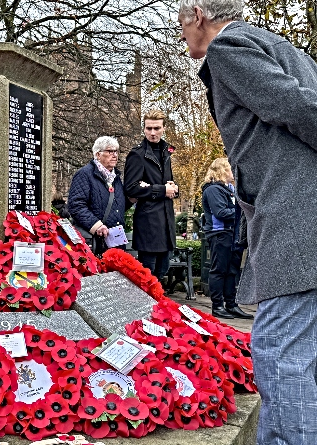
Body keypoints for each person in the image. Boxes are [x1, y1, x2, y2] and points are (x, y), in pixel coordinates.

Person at [178, 0, 317, 442]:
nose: (181, 34)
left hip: (296, 221)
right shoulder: (281, 45)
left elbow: (295, 105)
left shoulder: (230, 46)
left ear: (197, 13)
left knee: (280, 354)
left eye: (180, 22)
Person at [123, 110, 178, 281]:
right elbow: (131, 188)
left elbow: (169, 185)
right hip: (148, 225)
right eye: (148, 128)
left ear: (164, 128)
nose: (152, 133)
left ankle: (160, 308)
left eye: (156, 128)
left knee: (162, 273)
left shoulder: (166, 152)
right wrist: (161, 190)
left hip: (166, 224)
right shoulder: (137, 154)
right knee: (148, 278)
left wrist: (174, 189)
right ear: (144, 129)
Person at [200, 158, 253, 319]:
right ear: (221, 171)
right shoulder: (213, 190)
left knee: (232, 271)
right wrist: (243, 212)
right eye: (230, 169)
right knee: (219, 270)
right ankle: (217, 306)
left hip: (233, 234)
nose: (234, 173)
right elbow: (221, 213)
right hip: (220, 234)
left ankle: (231, 304)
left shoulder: (230, 189)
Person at [68, 136, 131, 255]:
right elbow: (76, 205)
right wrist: (96, 225)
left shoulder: (115, 178)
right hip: (94, 242)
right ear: (98, 155)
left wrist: (132, 199)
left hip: (115, 242)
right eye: (110, 151)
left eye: (116, 151)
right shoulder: (84, 174)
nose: (115, 155)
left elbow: (117, 207)